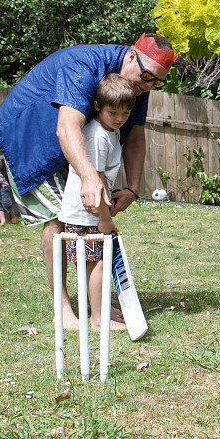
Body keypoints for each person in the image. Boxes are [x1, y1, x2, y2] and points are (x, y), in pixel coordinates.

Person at [0, 33, 176, 331]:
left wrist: (133, 188)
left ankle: (96, 306)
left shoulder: (135, 85)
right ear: (130, 55)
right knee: (57, 218)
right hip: (30, 136)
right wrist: (90, 178)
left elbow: (136, 135)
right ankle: (62, 309)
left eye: (157, 81)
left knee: (87, 223)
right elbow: (66, 127)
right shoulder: (83, 65)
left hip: (72, 141)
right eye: (146, 76)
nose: (149, 84)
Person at [59, 73, 134, 331]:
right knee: (98, 262)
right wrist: (105, 219)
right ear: (97, 107)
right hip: (85, 213)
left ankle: (102, 309)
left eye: (125, 113)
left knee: (98, 261)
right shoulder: (98, 137)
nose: (119, 118)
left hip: (91, 211)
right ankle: (98, 320)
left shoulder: (110, 130)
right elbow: (95, 187)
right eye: (113, 112)